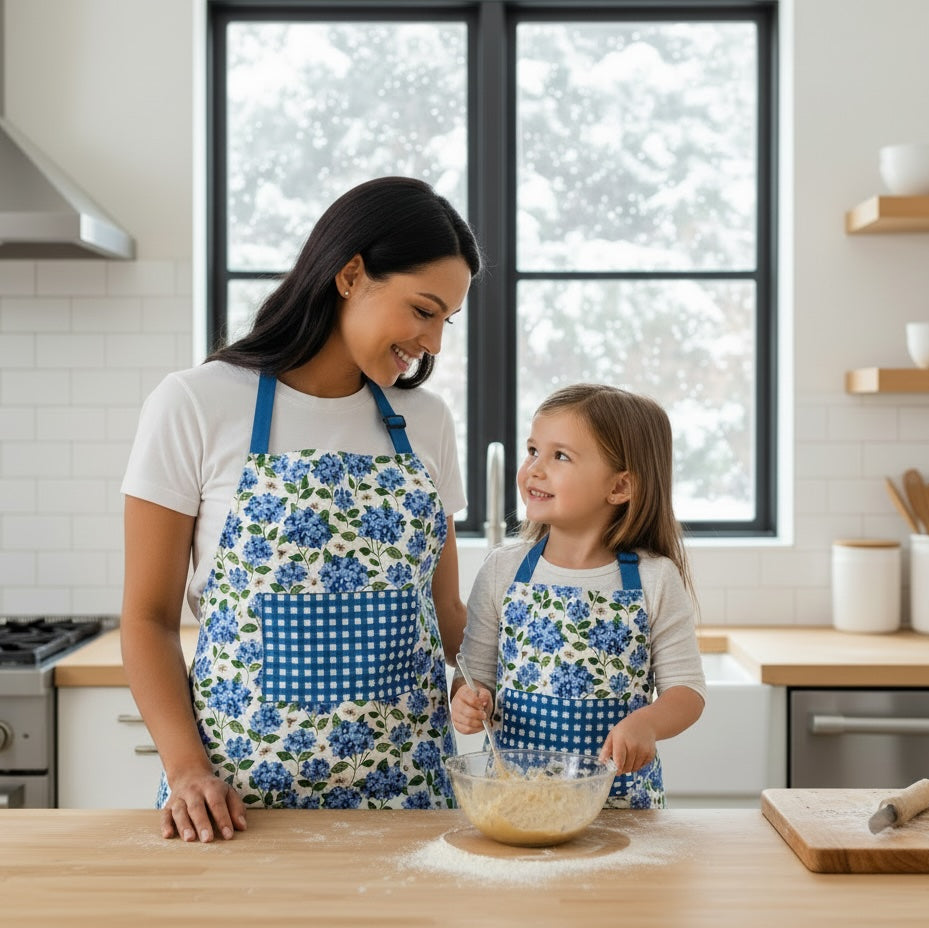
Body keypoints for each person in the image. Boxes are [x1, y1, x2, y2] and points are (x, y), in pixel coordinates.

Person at [120, 176, 483, 841]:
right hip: (237, 807)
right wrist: (186, 770)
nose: (433, 342)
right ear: (351, 275)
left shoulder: (424, 421)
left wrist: (531, 678)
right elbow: (146, 619)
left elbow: (445, 612)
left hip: (410, 804)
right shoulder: (196, 403)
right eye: (423, 310)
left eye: (445, 321)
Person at [450, 383, 706, 808]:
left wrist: (647, 722)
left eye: (560, 456)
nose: (534, 468)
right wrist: (469, 700)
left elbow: (687, 692)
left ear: (620, 487)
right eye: (533, 450)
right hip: (516, 803)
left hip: (621, 810)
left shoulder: (654, 579)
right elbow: (473, 674)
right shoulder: (503, 570)